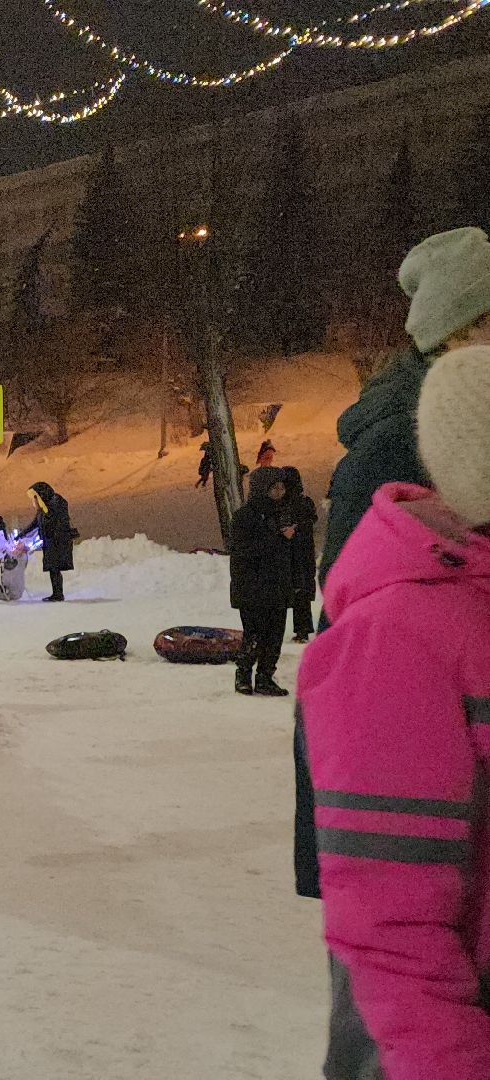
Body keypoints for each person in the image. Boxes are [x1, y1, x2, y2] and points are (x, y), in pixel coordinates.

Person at [295, 227, 490, 1078]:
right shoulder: (413, 431)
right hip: (391, 763)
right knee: (385, 1002)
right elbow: (359, 623)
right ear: (463, 326)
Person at [229, 467, 295, 697]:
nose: (280, 492)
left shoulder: (283, 514)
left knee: (274, 636)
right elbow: (243, 550)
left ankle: (265, 677)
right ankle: (243, 675)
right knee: (255, 635)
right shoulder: (245, 517)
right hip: (252, 589)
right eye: (274, 488)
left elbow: (290, 553)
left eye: (281, 487)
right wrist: (278, 538)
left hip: (277, 586)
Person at [280, 466, 318, 643]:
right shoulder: (305, 502)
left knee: (294, 593)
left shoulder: (285, 504)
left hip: (293, 555)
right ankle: (302, 630)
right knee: (301, 594)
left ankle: (297, 630)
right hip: (303, 556)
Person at [23, 482, 76, 602]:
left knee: (55, 568)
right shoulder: (43, 510)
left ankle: (58, 594)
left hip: (57, 543)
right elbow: (35, 524)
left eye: (35, 499)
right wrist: (22, 534)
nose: (33, 503)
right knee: (53, 569)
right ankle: (56, 593)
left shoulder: (55, 507)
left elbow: (55, 525)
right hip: (49, 543)